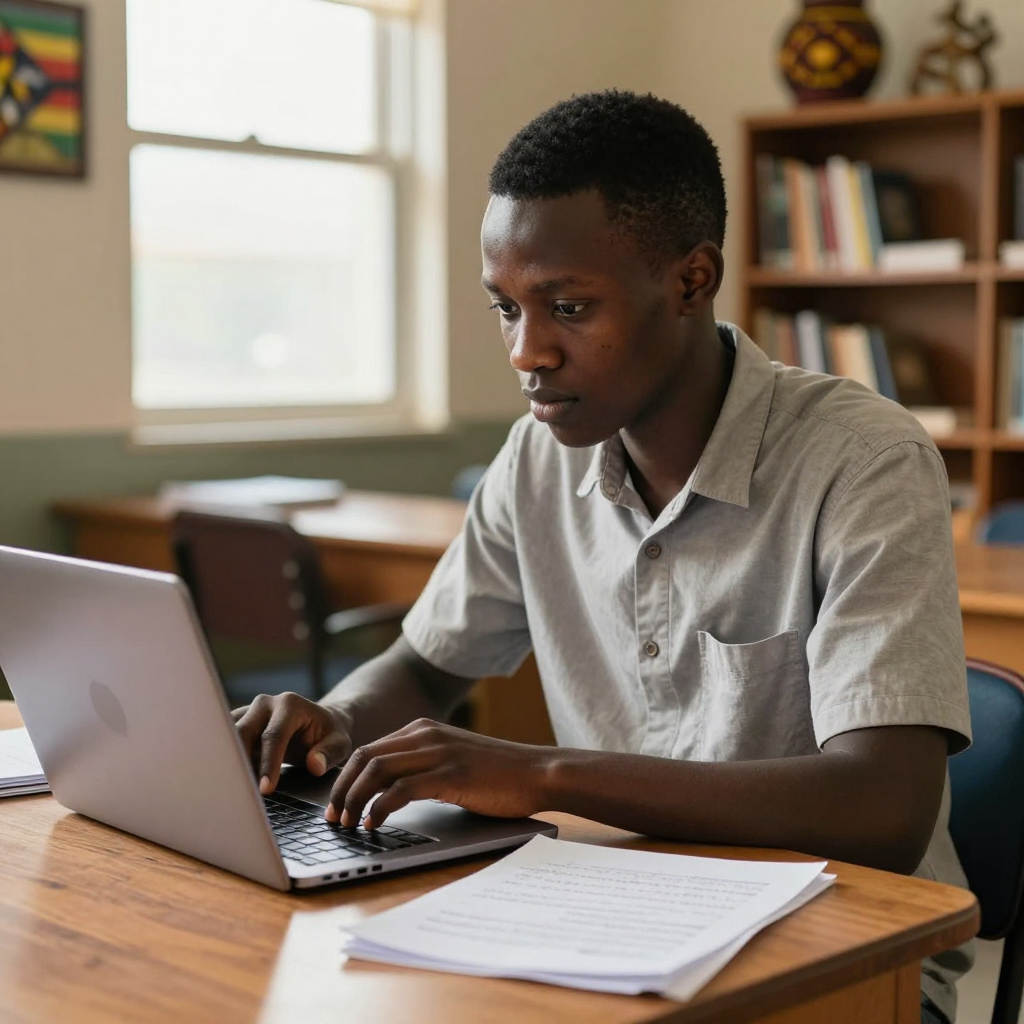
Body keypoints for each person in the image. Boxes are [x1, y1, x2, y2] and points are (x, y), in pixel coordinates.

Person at [234, 91, 972, 1024]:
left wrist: (542, 774)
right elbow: (426, 665)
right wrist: (330, 724)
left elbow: (885, 809)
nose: (525, 350)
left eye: (569, 307)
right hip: (604, 924)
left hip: (843, 957)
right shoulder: (537, 457)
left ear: (691, 282)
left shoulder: (864, 461)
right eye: (506, 308)